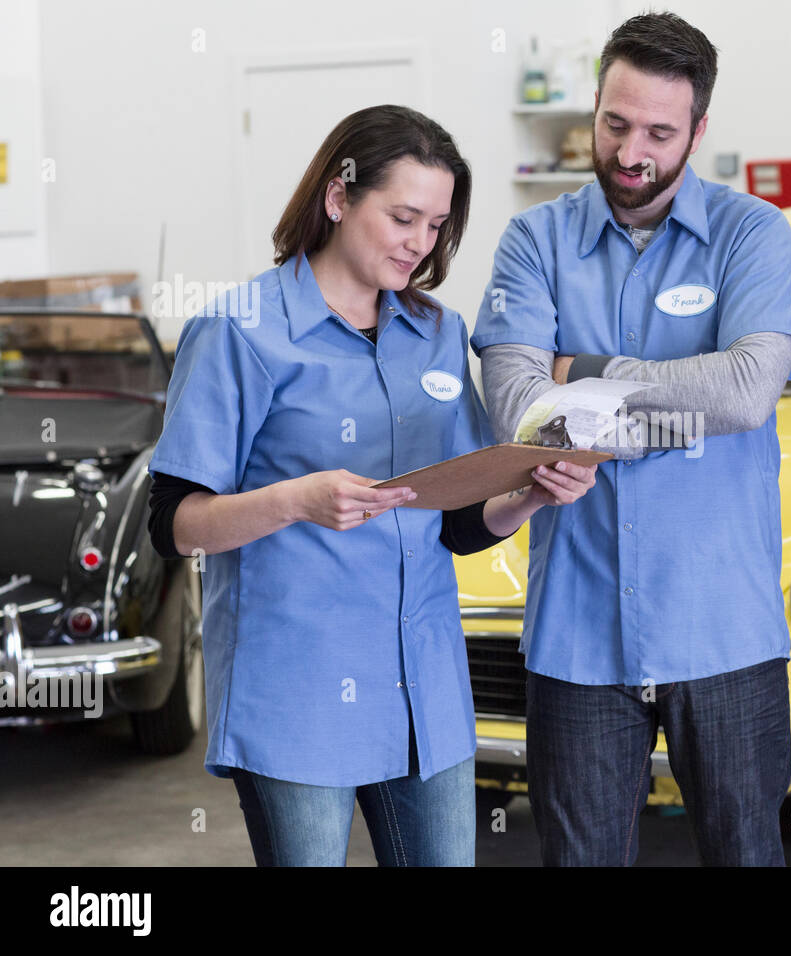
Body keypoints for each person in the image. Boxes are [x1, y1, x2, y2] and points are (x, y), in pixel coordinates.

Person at [146, 105, 596, 867]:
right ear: (337, 198)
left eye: (437, 225)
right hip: (298, 691)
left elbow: (453, 519)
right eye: (403, 217)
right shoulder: (239, 331)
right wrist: (295, 499)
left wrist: (528, 492)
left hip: (425, 687)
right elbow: (175, 525)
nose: (420, 243)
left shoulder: (438, 332)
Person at [472, 13, 791, 866]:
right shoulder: (534, 242)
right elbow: (519, 408)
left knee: (746, 855)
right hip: (578, 636)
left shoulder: (754, 236)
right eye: (615, 123)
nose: (632, 152)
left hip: (723, 632)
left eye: (660, 133)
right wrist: (669, 401)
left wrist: (583, 376)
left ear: (699, 131)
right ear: (594, 107)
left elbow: (745, 394)